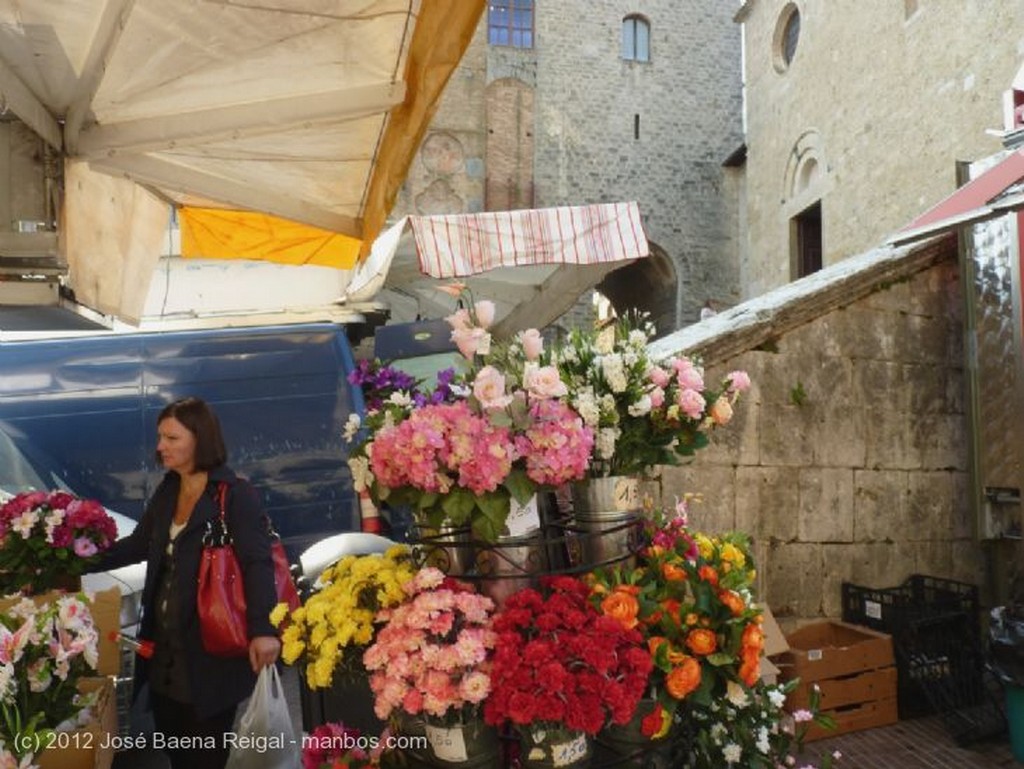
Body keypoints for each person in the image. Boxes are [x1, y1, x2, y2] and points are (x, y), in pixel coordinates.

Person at [99, 397, 281, 769]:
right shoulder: (169, 489)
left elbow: (257, 563)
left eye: (171, 438)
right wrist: (71, 560)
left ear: (200, 438)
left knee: (205, 756)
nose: (160, 447)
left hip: (211, 651)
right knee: (177, 751)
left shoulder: (234, 495)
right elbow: (138, 545)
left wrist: (263, 629)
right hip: (164, 652)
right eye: (160, 438)